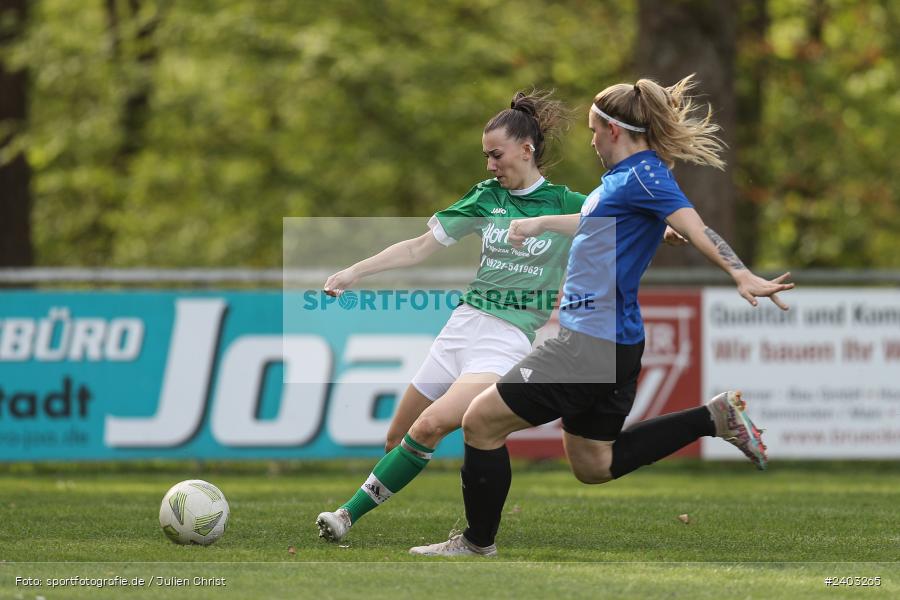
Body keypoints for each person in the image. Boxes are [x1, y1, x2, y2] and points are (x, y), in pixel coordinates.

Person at [409, 74, 795, 557]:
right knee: (594, 463)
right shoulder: (621, 182)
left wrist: (740, 273)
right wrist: (544, 221)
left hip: (590, 343)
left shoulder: (644, 175)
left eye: (593, 130)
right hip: (613, 344)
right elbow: (601, 220)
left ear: (613, 130)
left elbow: (695, 225)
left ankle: (475, 543)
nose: (590, 140)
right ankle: (712, 417)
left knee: (480, 422)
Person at [316, 91, 587, 542]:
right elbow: (419, 246)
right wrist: (353, 272)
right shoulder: (486, 198)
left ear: (527, 148)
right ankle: (452, 521)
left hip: (505, 340)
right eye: (485, 156)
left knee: (431, 427)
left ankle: (346, 517)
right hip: (460, 328)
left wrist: (665, 228)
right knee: (397, 438)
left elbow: (611, 220)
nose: (489, 166)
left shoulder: (563, 201)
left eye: (495, 155)